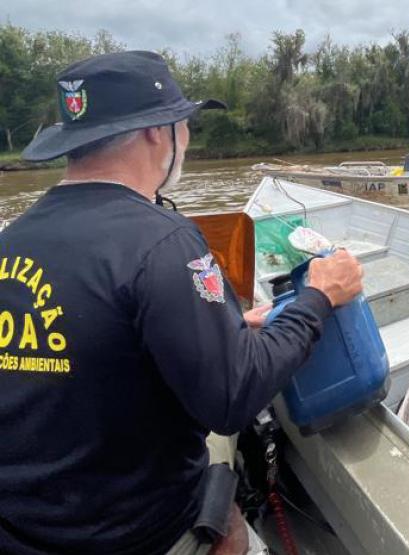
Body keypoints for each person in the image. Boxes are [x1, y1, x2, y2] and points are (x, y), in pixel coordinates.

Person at [0, 51, 364, 554]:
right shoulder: (163, 242)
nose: (187, 139)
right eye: (185, 124)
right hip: (135, 537)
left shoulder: (12, 240)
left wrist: (230, 327)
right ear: (158, 132)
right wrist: (321, 296)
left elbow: (94, 347)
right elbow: (233, 400)